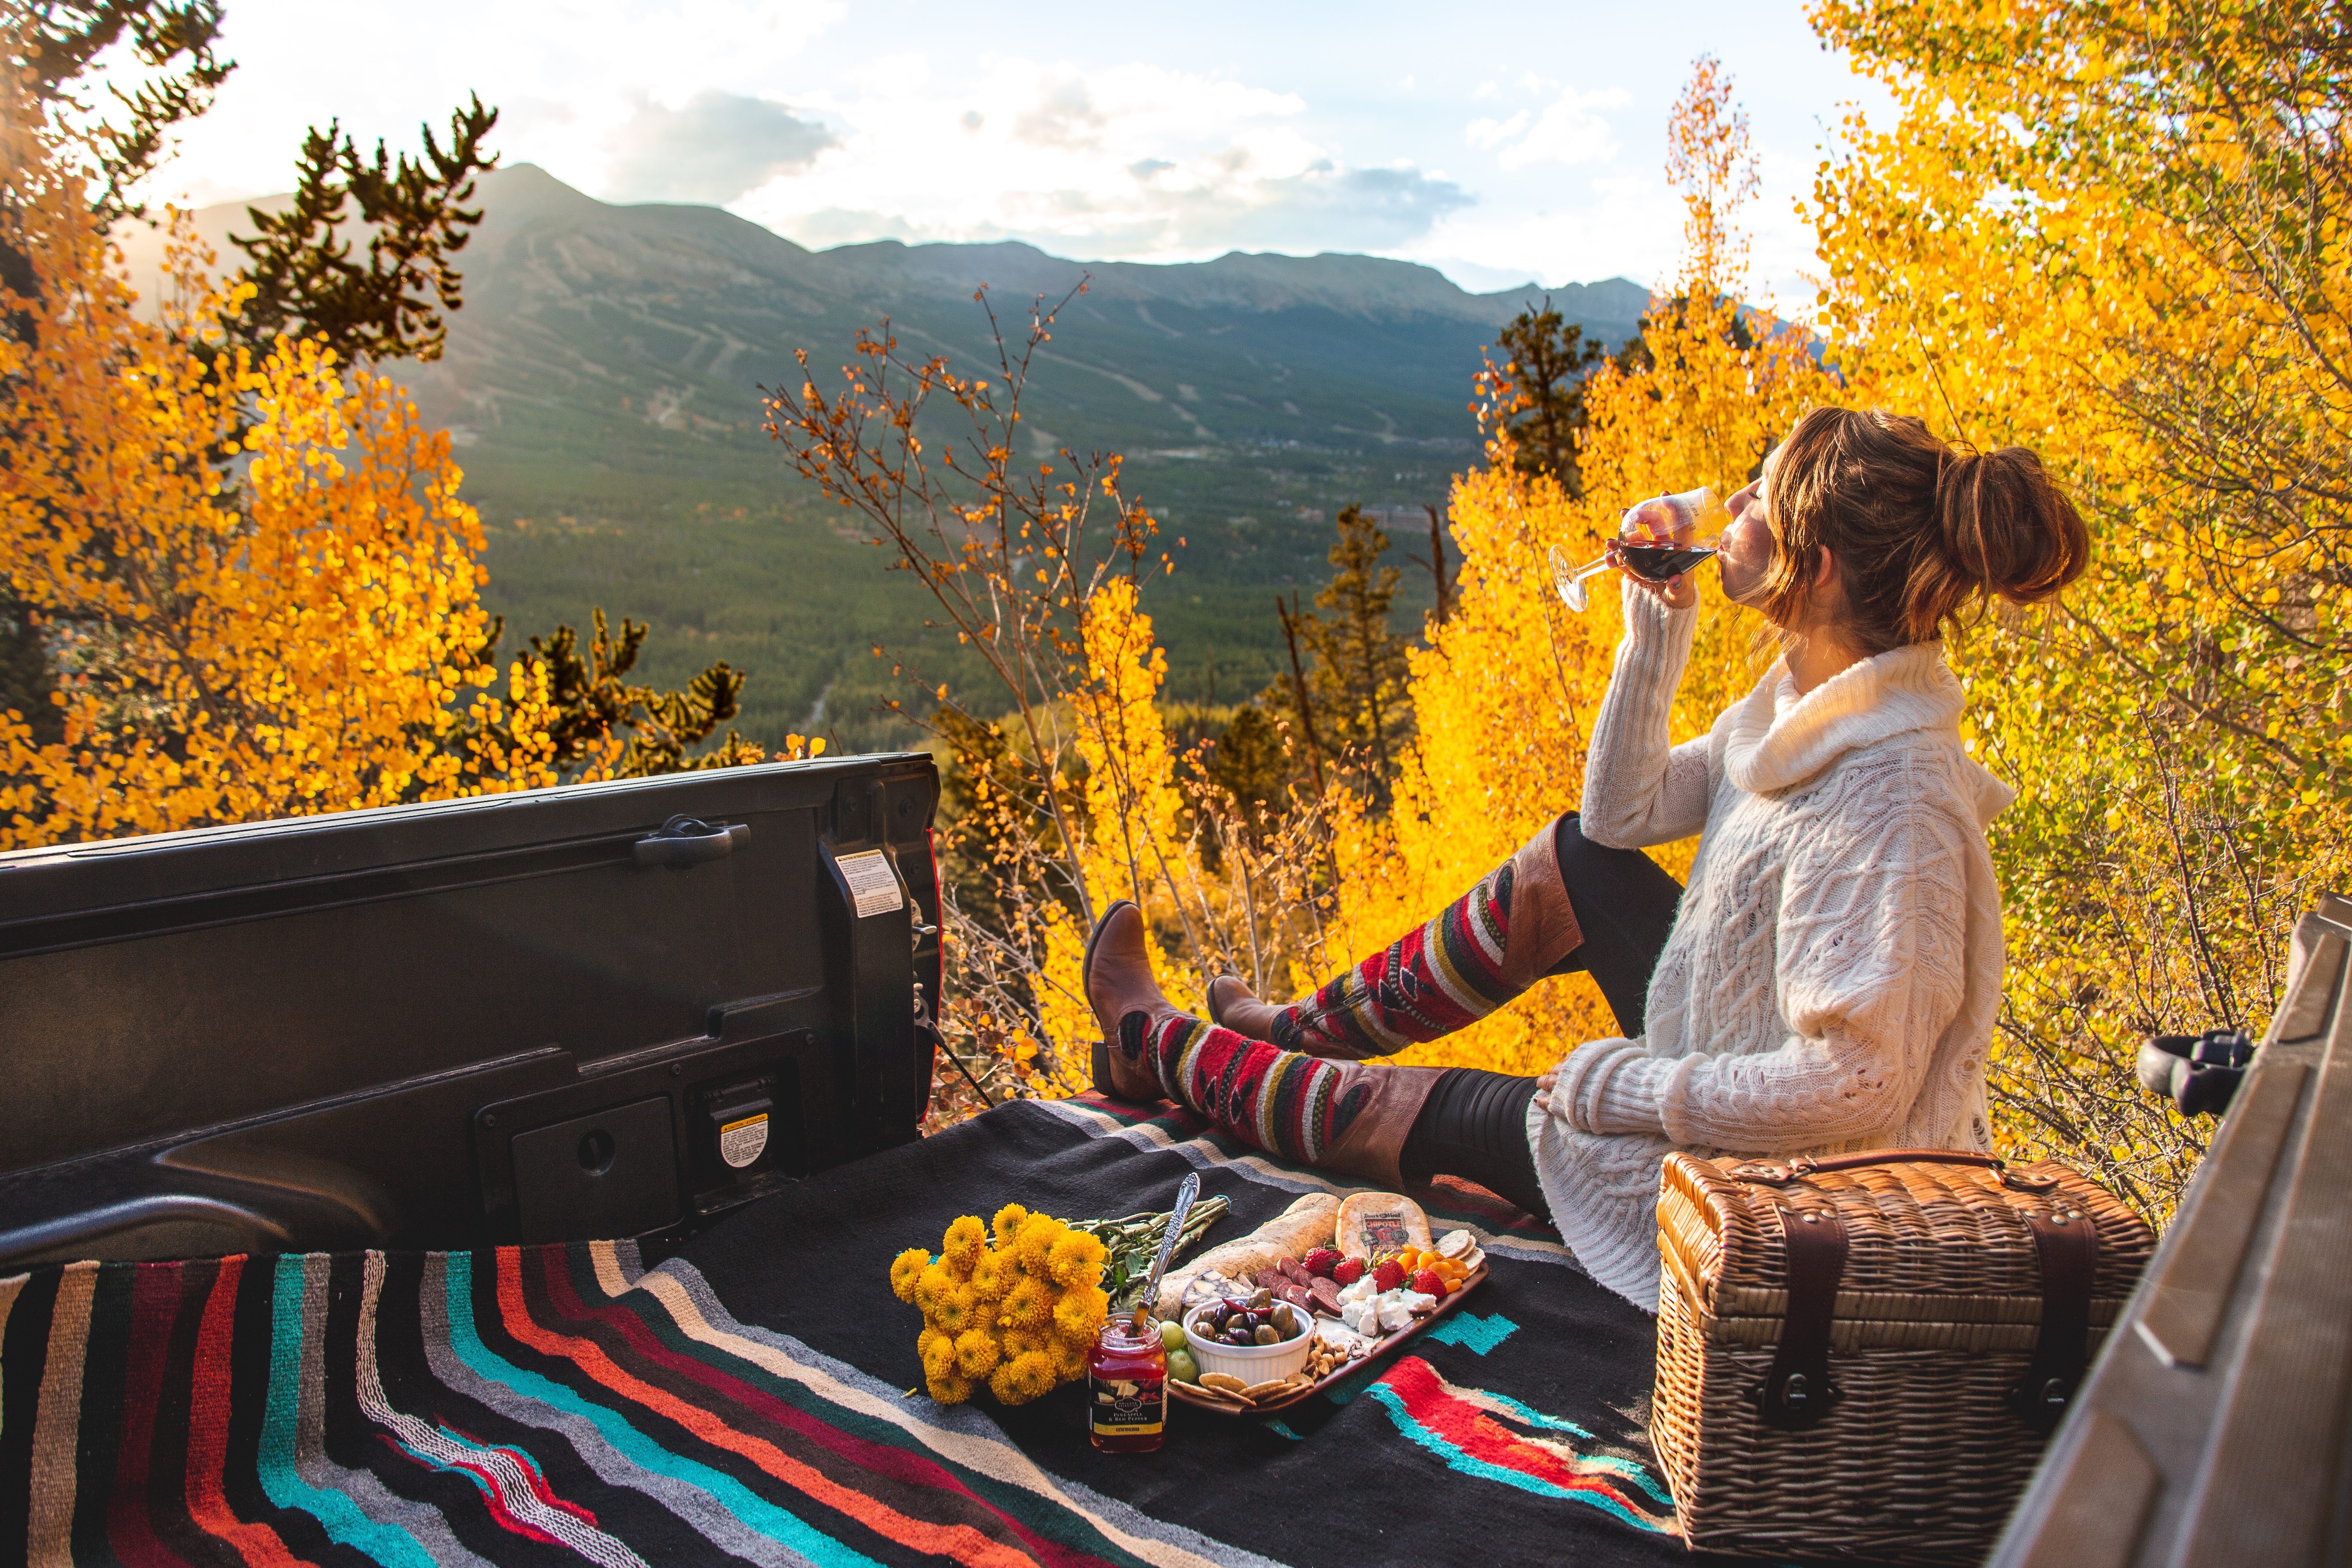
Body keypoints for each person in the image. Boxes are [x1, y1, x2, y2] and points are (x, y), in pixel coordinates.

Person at [1083, 406, 2093, 1311]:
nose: (1731, 504)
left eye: (1759, 496)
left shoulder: (1894, 802)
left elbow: (1855, 1089)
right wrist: (1656, 619)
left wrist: (1629, 1089)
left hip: (1787, 1203)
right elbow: (1619, 817)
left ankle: (1155, 1043)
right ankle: (1310, 1028)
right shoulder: (1808, 706)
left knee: (1416, 1111)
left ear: (1814, 566)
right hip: (1736, 1082)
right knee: (1569, 861)